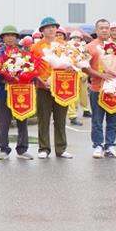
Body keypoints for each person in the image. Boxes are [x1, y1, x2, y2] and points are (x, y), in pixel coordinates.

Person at [30, 17, 72, 159]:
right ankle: (44, 148)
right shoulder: (36, 47)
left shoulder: (64, 45)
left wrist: (72, 68)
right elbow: (32, 67)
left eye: (54, 27)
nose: (51, 29)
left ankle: (61, 148)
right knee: (44, 119)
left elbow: (70, 63)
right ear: (42, 30)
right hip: (43, 87)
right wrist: (40, 80)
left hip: (61, 87)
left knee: (60, 118)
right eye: (48, 27)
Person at [0, 25, 33, 160]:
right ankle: (4, 149)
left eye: (12, 35)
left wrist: (23, 78)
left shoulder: (24, 54)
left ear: (16, 38)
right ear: (2, 38)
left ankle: (22, 149)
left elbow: (31, 71)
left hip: (21, 92)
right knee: (4, 121)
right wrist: (5, 80)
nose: (10, 38)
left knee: (22, 119)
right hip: (4, 92)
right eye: (7, 35)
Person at [84, 19, 116, 158]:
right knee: (97, 119)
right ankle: (98, 145)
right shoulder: (90, 47)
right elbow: (84, 67)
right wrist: (101, 75)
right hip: (97, 87)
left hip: (115, 88)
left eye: (107, 28)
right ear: (96, 30)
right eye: (101, 28)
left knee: (113, 118)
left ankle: (110, 145)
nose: (105, 30)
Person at [66, 30, 90, 126]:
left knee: (84, 93)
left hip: (82, 73)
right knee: (72, 95)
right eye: (74, 38)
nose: (76, 40)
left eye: (78, 38)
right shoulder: (67, 48)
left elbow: (87, 60)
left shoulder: (84, 48)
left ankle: (85, 109)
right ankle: (73, 115)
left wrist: (86, 74)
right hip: (71, 73)